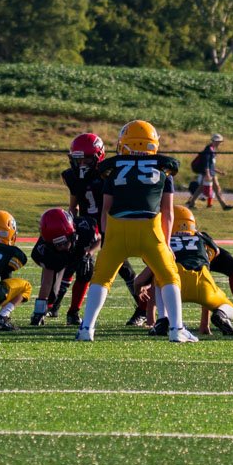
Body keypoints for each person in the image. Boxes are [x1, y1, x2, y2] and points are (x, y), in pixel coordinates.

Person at [76, 120, 194, 344]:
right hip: (149, 229)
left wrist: (106, 236)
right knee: (169, 276)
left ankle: (86, 328)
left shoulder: (112, 171)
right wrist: (166, 243)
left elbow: (105, 210)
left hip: (118, 228)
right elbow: (167, 213)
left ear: (125, 144)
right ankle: (176, 329)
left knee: (101, 279)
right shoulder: (163, 171)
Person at [63, 132, 145, 327]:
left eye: (86, 159)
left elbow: (111, 206)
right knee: (78, 266)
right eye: (78, 159)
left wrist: (105, 233)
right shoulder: (74, 177)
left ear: (98, 156)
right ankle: (62, 310)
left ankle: (143, 309)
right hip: (86, 227)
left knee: (123, 269)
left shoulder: (108, 174)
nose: (82, 163)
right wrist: (70, 227)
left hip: (109, 225)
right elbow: (73, 205)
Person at [137, 204, 233, 337]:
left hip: (174, 284)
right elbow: (216, 252)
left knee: (159, 276)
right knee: (228, 306)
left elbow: (149, 271)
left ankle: (162, 319)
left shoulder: (163, 240)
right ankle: (222, 315)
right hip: (202, 281)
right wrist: (204, 325)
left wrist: (139, 286)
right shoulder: (201, 237)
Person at [29, 207, 82, 327]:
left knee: (86, 270)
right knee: (52, 294)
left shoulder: (83, 228)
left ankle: (74, 312)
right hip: (57, 260)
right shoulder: (47, 250)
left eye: (63, 242)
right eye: (57, 244)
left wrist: (89, 253)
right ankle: (49, 308)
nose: (61, 247)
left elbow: (98, 239)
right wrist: (38, 312)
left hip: (78, 252)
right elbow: (46, 282)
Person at [188, 134, 233, 211]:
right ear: (214, 141)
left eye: (220, 142)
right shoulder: (208, 150)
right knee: (215, 189)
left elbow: (211, 165)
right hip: (209, 174)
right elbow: (206, 164)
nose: (219, 143)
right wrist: (207, 174)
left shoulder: (212, 149)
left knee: (201, 189)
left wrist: (219, 172)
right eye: (218, 141)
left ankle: (192, 203)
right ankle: (224, 205)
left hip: (211, 173)